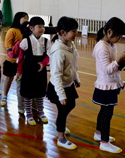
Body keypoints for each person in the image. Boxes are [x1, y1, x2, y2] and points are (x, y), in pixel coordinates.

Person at [92, 17, 125, 154]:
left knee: (104, 112)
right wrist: (120, 60)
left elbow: (115, 68)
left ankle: (98, 133)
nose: (119, 39)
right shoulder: (102, 47)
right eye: (119, 36)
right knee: (106, 114)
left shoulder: (111, 45)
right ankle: (104, 142)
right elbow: (108, 70)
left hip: (111, 85)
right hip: (105, 86)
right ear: (109, 32)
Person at [46, 16, 80, 150]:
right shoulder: (59, 51)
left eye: (76, 30)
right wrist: (61, 95)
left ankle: (60, 123)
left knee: (71, 105)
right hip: (58, 87)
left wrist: (76, 78)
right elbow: (56, 75)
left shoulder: (70, 45)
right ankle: (61, 137)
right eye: (73, 31)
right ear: (62, 33)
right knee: (63, 109)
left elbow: (73, 66)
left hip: (68, 84)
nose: (75, 34)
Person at [19, 17, 51, 126]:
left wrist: (43, 64)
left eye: (43, 26)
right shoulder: (25, 41)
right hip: (28, 71)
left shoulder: (46, 41)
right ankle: (29, 113)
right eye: (39, 26)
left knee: (40, 92)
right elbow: (20, 58)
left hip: (40, 71)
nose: (42, 28)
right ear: (32, 28)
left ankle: (41, 111)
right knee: (28, 93)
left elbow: (48, 56)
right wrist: (19, 71)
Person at [1, 12, 29, 108]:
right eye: (24, 18)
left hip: (23, 61)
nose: (26, 19)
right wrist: (16, 52)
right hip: (12, 60)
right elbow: (8, 46)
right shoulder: (12, 30)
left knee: (21, 82)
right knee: (9, 78)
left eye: (27, 18)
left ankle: (21, 102)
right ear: (18, 19)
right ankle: (4, 96)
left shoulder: (26, 30)